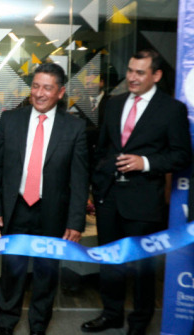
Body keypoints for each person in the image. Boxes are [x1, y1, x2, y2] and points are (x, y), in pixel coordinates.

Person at [81, 49, 191, 335]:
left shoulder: (172, 109)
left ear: (156, 75)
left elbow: (182, 156)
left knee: (143, 269)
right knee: (110, 261)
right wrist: (97, 182)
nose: (132, 77)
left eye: (140, 72)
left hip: (143, 202)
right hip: (108, 198)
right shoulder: (113, 104)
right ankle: (111, 314)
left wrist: (146, 163)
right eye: (130, 70)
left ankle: (139, 323)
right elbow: (103, 148)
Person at [0, 63, 89, 335]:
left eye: (47, 88)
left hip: (52, 213)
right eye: (35, 86)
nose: (39, 93)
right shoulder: (10, 120)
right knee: (12, 272)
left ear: (60, 92)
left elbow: (79, 181)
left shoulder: (75, 128)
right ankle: (6, 325)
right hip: (16, 209)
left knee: (46, 275)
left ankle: (38, 327)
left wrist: (76, 222)